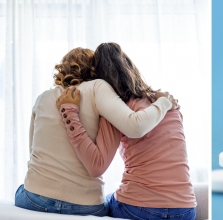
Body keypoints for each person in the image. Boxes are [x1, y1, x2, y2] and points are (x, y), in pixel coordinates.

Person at [15, 47, 178, 216]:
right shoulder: (98, 88)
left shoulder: (42, 97)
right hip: (85, 204)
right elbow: (133, 126)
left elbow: (33, 152)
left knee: (22, 189)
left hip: (35, 198)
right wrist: (164, 102)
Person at [56, 43, 197, 220]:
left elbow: (96, 166)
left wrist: (70, 114)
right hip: (185, 209)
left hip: (139, 208)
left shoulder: (117, 110)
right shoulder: (169, 105)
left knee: (103, 203)